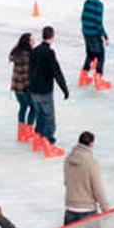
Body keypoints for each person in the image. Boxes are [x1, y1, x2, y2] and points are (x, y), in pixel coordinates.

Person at [59, 131, 109, 228]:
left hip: (70, 207)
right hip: (87, 209)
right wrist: (105, 207)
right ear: (91, 144)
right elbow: (97, 187)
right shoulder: (91, 162)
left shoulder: (68, 159)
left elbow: (67, 181)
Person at [29, 25, 70, 158]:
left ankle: (37, 141)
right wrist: (64, 88)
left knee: (40, 115)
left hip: (33, 90)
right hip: (44, 91)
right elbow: (56, 72)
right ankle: (48, 145)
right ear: (52, 37)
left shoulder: (34, 51)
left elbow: (30, 70)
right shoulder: (49, 53)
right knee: (49, 119)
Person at [78, 0, 112, 91]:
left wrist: (85, 29)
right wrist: (105, 36)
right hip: (94, 34)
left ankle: (83, 78)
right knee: (101, 56)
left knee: (90, 54)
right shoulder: (99, 5)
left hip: (86, 32)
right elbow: (98, 23)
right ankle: (98, 81)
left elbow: (82, 17)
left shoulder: (87, 1)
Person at [10, 33, 36, 143]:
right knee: (34, 107)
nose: (34, 42)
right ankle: (28, 131)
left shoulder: (17, 53)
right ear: (27, 43)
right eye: (32, 40)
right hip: (25, 88)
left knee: (23, 107)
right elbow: (26, 75)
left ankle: (21, 133)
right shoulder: (27, 56)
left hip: (16, 87)